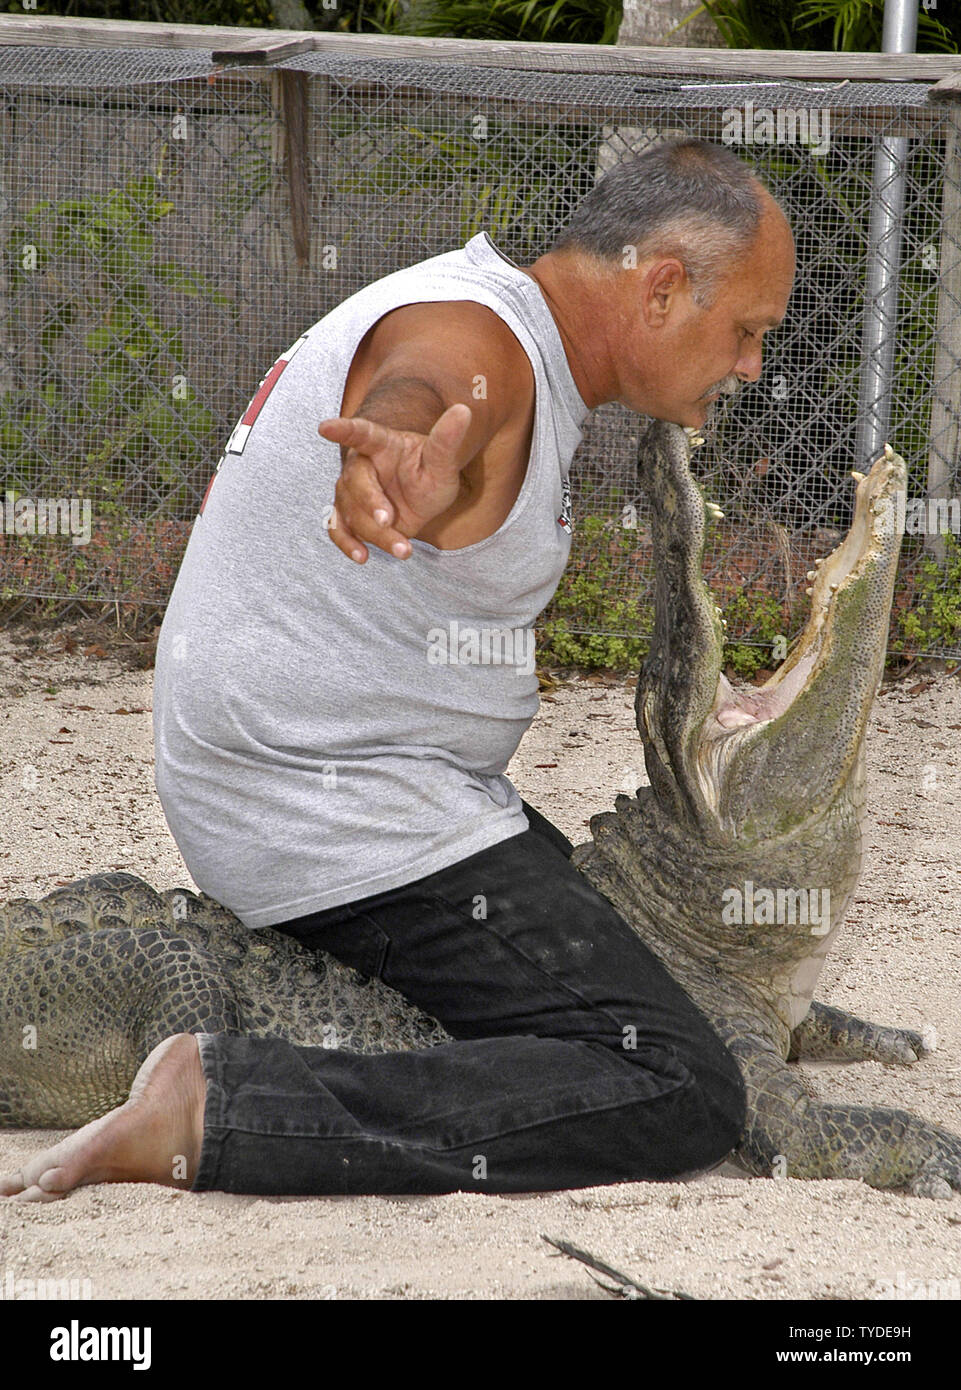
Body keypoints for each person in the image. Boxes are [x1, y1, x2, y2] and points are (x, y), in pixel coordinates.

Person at [0, 138, 794, 1203]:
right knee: (680, 1085)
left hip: (331, 783)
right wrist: (400, 454)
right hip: (336, 818)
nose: (750, 364)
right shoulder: (490, 347)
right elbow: (433, 380)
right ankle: (221, 1107)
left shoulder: (496, 317)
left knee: (630, 959)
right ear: (659, 287)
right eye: (745, 331)